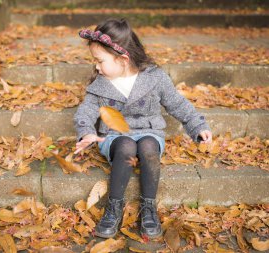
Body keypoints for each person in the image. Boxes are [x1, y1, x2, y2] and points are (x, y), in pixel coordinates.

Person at [74, 18, 212, 239]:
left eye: (99, 61)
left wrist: (197, 125)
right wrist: (86, 131)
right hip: (114, 136)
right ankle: (114, 207)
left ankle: (149, 207)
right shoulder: (99, 85)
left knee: (148, 146)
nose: (96, 67)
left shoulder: (155, 78)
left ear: (123, 59)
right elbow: (86, 111)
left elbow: (177, 103)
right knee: (127, 145)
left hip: (149, 132)